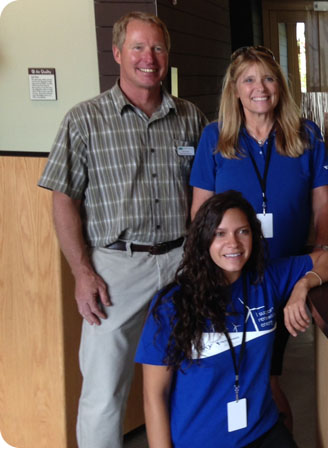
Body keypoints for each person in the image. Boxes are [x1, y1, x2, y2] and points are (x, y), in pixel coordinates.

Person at [36, 11, 208, 447]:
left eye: (157, 48)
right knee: (103, 390)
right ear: (117, 53)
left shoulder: (192, 119)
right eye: (138, 47)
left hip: (181, 263)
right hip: (115, 268)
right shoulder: (84, 120)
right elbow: (63, 199)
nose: (148, 58)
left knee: (193, 374)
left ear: (167, 56)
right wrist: (82, 272)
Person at [188, 45, 328, 430]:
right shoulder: (214, 138)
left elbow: (322, 203)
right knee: (258, 374)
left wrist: (317, 256)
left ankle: (273, 432)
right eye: (249, 79)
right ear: (234, 89)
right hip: (233, 277)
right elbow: (200, 214)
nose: (260, 88)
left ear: (280, 86)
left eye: (268, 78)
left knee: (268, 372)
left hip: (284, 273)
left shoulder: (305, 135)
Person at [135, 191, 328, 447]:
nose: (233, 243)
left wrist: (303, 285)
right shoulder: (171, 305)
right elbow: (154, 396)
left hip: (262, 431)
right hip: (201, 441)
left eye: (243, 231)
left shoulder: (267, 278)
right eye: (220, 233)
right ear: (204, 240)